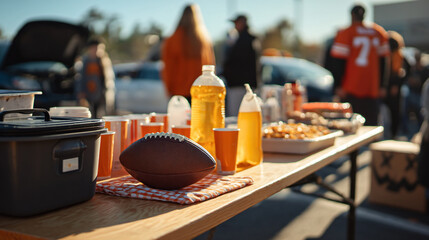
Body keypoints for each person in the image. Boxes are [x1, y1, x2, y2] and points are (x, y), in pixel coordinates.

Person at [330, 4, 390, 126]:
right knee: (370, 128)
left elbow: (337, 62)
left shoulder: (346, 32)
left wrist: (338, 85)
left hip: (351, 87)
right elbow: (384, 61)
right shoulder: (378, 32)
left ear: (352, 15)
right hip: (372, 87)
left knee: (350, 128)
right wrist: (383, 85)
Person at [161, 4, 215, 102]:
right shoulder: (204, 40)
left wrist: (169, 89)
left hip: (179, 91)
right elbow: (210, 65)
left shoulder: (173, 39)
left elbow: (168, 67)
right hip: (201, 91)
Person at [222, 14, 261, 117]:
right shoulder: (250, 39)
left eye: (236, 23)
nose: (234, 26)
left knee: (237, 117)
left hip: (239, 85)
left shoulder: (245, 40)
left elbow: (235, 62)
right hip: (244, 84)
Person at [75, 38, 115, 118]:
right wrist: (80, 93)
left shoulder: (104, 62)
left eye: (99, 48)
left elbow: (108, 80)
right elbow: (80, 79)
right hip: (88, 93)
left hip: (100, 94)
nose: (96, 50)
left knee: (100, 115)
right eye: (94, 48)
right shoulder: (84, 62)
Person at [385, 31, 405, 138]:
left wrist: (396, 85)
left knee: (395, 112)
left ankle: (394, 134)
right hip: (386, 86)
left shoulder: (399, 56)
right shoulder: (385, 55)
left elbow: (402, 72)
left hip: (394, 87)